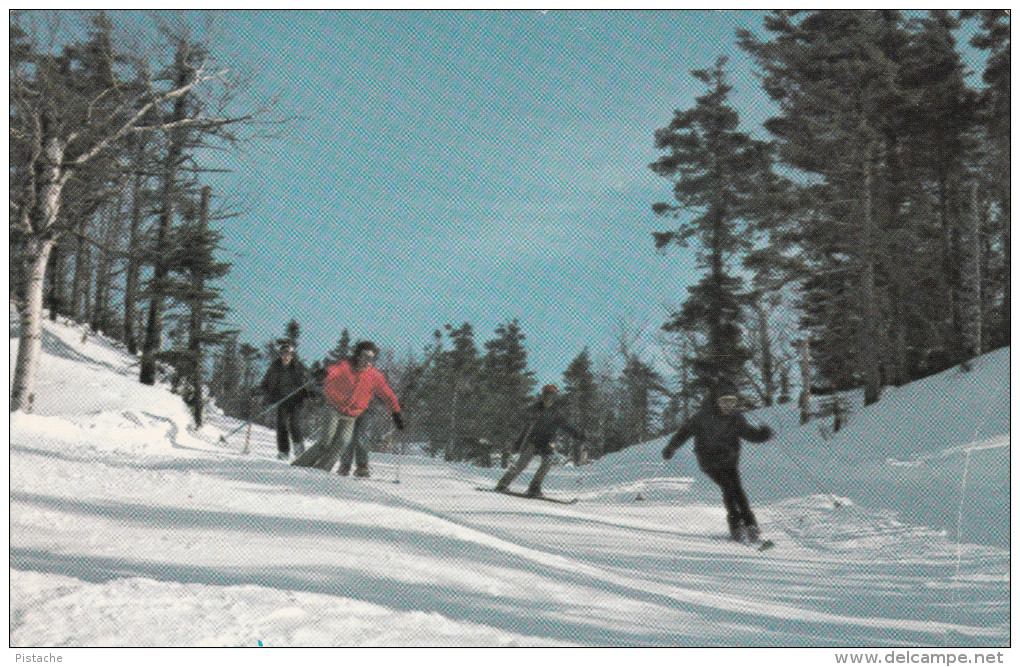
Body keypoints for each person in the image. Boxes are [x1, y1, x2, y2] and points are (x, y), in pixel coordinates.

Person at [662, 393, 773, 543]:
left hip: (729, 459)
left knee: (737, 489)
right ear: (717, 402)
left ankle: (750, 525)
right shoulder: (703, 416)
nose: (728, 405)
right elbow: (684, 432)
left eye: (732, 402)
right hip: (709, 460)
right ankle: (735, 526)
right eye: (724, 401)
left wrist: (763, 435)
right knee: (728, 486)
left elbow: (749, 434)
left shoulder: (736, 418)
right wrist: (671, 447)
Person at [292, 340, 403, 477]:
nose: (367, 361)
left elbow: (388, 395)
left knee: (342, 443)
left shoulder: (374, 376)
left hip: (351, 415)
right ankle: (300, 465)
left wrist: (396, 413)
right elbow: (334, 370)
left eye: (371, 358)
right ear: (357, 355)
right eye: (364, 356)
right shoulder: (346, 366)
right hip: (334, 408)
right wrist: (324, 373)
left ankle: (320, 471)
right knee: (327, 439)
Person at [495, 384, 584, 498]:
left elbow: (567, 425)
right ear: (543, 395)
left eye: (551, 395)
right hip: (534, 440)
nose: (548, 398)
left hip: (548, 442)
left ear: (554, 396)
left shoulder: (557, 412)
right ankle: (503, 483)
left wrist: (578, 434)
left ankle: (534, 487)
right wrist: (530, 417)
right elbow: (524, 415)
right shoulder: (535, 408)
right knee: (521, 463)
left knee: (547, 462)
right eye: (546, 395)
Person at [256, 339, 309, 460]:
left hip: (296, 400)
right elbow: (266, 382)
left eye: (288, 354)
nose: (286, 357)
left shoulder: (298, 367)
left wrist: (308, 391)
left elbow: (307, 380)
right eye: (284, 354)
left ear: (291, 355)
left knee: (294, 424)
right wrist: (261, 391)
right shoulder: (275, 367)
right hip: (282, 399)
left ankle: (299, 451)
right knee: (281, 424)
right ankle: (283, 451)